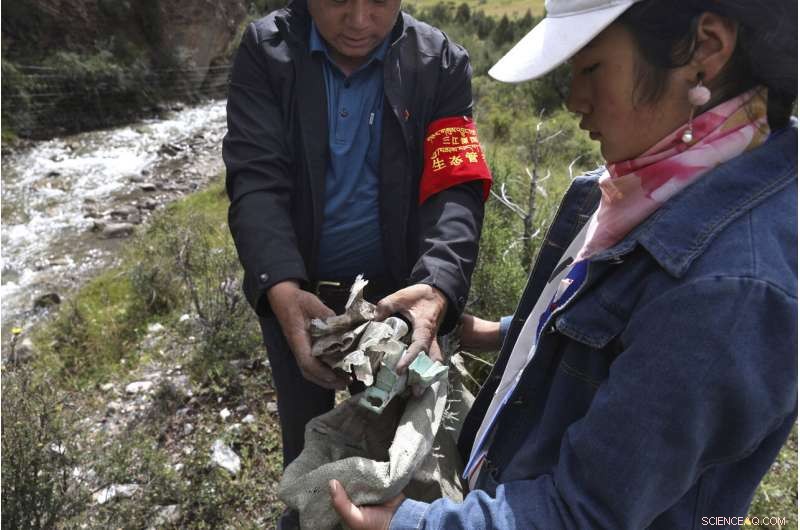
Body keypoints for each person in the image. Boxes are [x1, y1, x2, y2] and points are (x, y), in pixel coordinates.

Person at [328, 0, 798, 528]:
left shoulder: (728, 292)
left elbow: (580, 514)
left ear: (704, 48)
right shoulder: (656, 183)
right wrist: (498, 332)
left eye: (592, 68)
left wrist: (409, 524)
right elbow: (633, 338)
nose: (574, 99)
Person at [223, 0, 492, 524]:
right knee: (306, 441)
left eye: (378, 0)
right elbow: (256, 179)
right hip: (297, 304)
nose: (359, 20)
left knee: (398, 453)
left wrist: (436, 286)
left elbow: (454, 189)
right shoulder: (267, 51)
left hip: (398, 303)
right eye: (338, 0)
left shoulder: (439, 63)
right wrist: (279, 286)